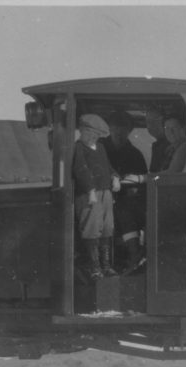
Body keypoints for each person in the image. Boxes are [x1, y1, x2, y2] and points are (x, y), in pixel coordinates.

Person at [72, 114, 121, 280]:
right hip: (89, 195)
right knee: (91, 229)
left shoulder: (100, 148)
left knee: (107, 228)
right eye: (89, 134)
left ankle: (106, 266)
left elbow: (108, 166)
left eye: (96, 135)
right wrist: (90, 190)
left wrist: (115, 177)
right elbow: (81, 169)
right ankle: (95, 268)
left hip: (105, 192)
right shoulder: (78, 147)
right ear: (82, 132)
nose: (93, 138)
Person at [99, 111, 148, 271]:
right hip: (97, 196)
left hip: (124, 201)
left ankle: (134, 254)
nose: (119, 132)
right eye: (116, 128)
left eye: (124, 129)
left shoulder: (135, 155)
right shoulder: (98, 148)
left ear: (129, 131)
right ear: (110, 128)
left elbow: (142, 186)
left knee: (124, 209)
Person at [146, 106, 169, 173]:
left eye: (156, 121)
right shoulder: (157, 145)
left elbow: (159, 177)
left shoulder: (170, 145)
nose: (151, 125)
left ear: (164, 122)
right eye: (148, 121)